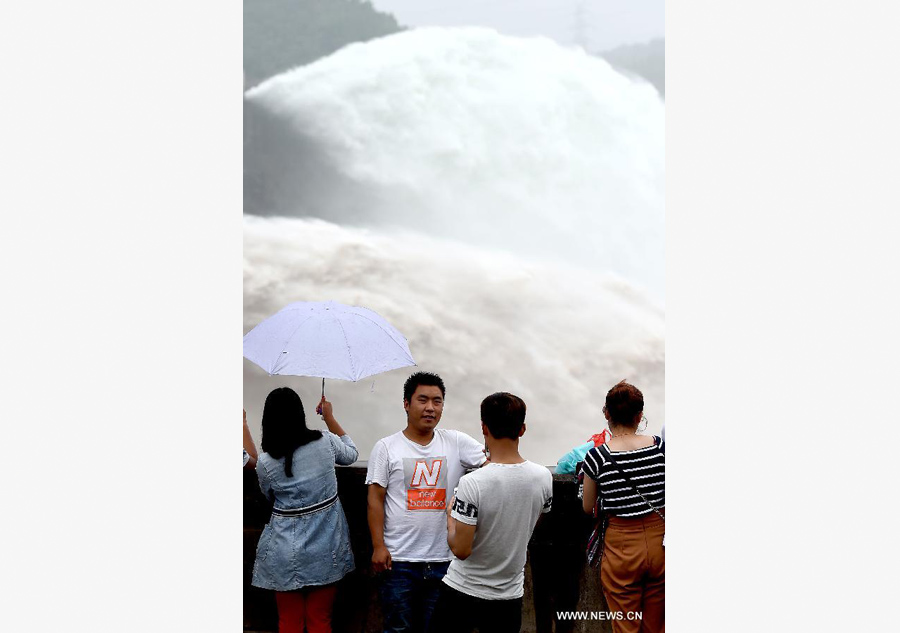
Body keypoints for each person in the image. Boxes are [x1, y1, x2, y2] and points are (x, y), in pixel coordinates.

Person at [365, 372, 487, 633]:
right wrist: (378, 546)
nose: (430, 408)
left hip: (444, 561)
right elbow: (375, 499)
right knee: (398, 628)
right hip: (398, 561)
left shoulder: (456, 442)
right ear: (406, 404)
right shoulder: (387, 447)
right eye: (423, 400)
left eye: (437, 401)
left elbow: (493, 463)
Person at [428, 392, 553, 633]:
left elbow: (461, 550)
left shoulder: (472, 483)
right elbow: (533, 522)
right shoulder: (543, 477)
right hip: (509, 597)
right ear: (523, 429)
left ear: (484, 428)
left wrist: (450, 518)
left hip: (462, 592)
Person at [251, 388, 359, 633]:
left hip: (283, 550)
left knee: (289, 622)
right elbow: (351, 454)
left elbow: (268, 495)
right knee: (320, 619)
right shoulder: (325, 441)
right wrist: (329, 418)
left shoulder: (267, 463)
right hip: (326, 545)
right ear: (300, 413)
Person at [581, 381, 665, 633]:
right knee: (657, 624)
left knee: (626, 624)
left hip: (621, 545)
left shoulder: (597, 457)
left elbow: (588, 507)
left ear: (606, 413)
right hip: (660, 538)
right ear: (640, 416)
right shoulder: (660, 447)